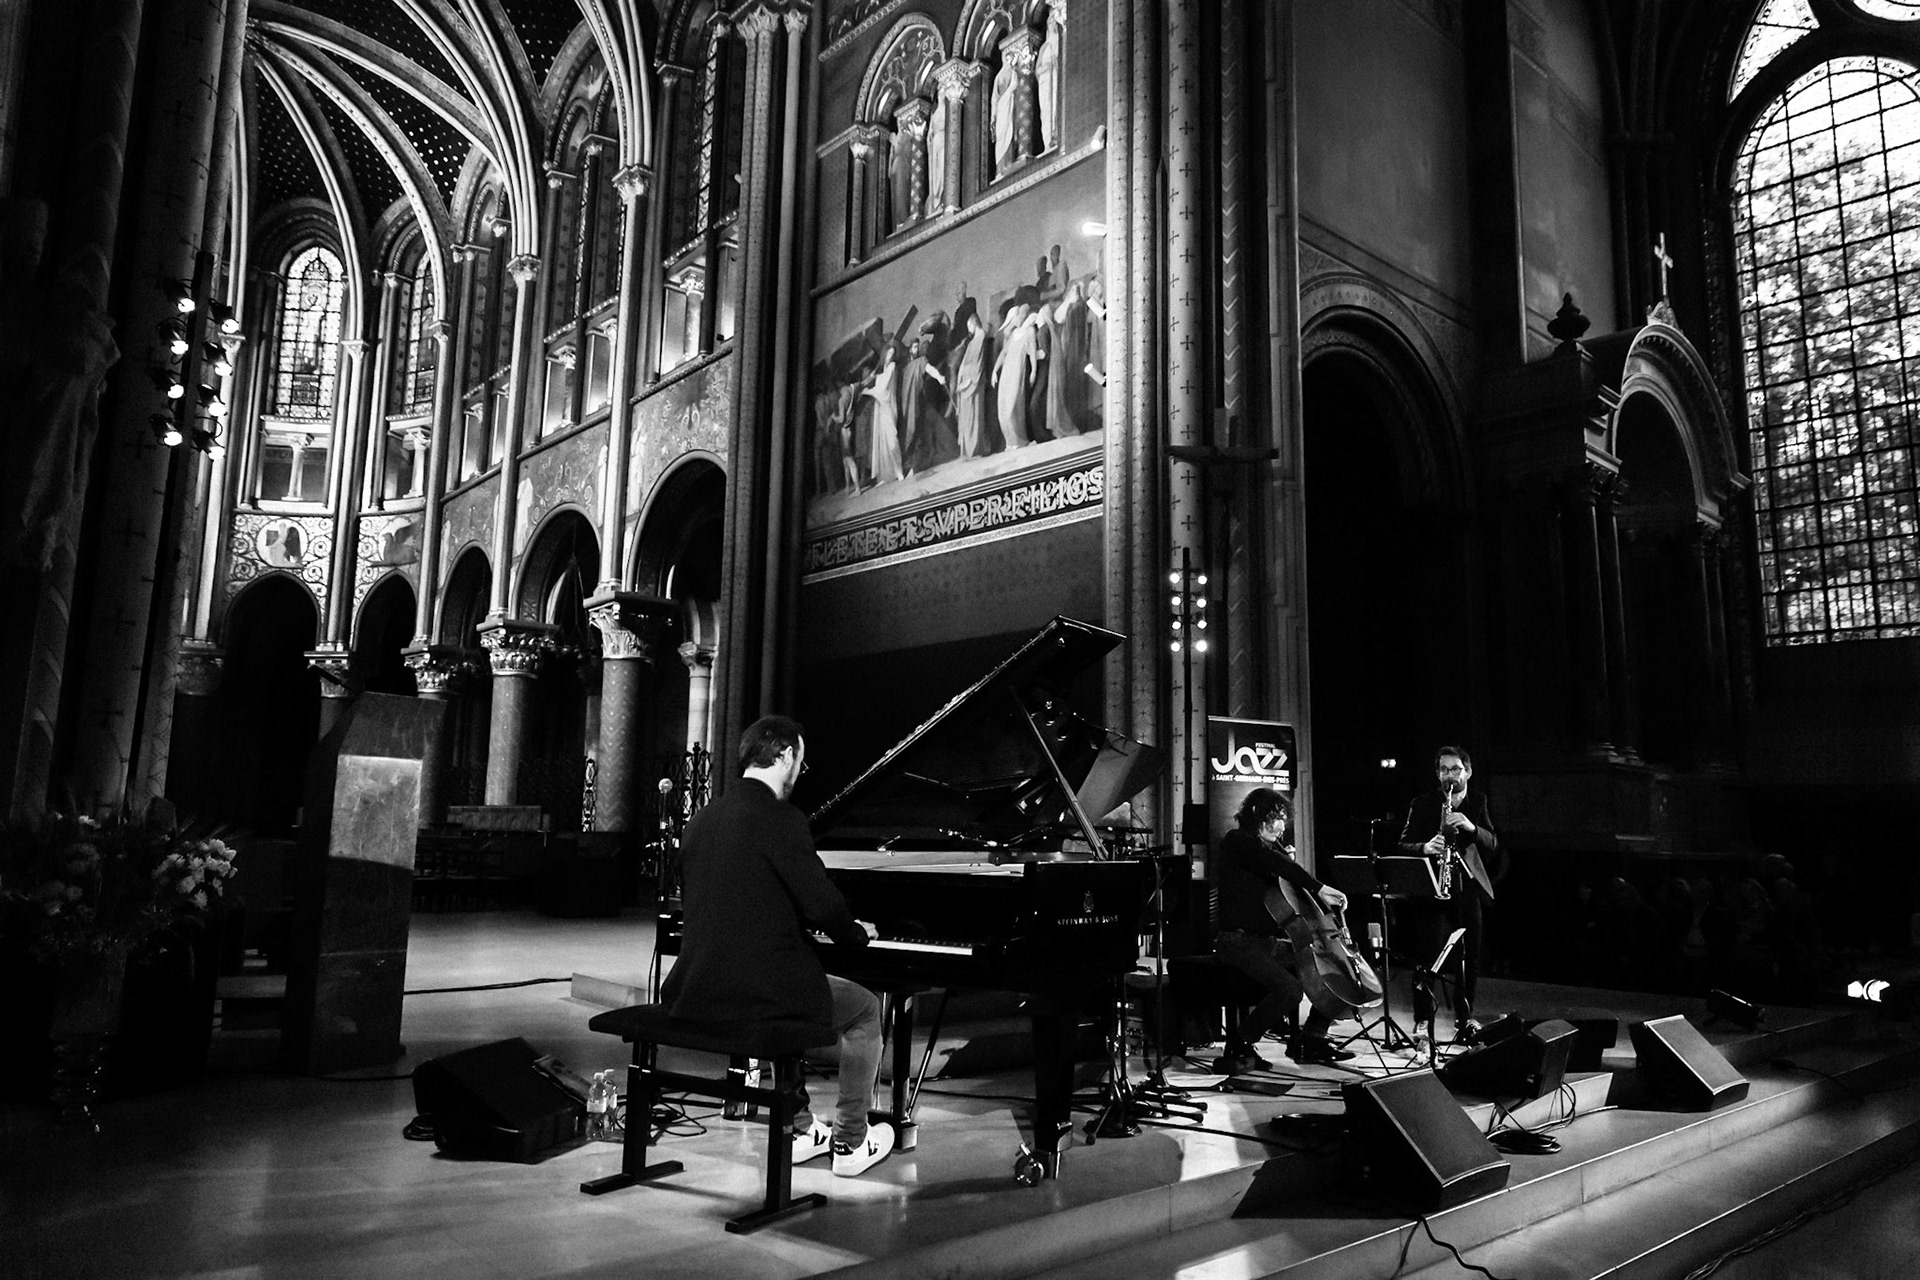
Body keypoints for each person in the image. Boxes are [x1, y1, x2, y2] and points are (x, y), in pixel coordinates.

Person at [661, 715, 895, 1178]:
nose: (797, 775)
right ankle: (850, 1141)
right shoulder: (781, 819)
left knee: (789, 984)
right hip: (755, 991)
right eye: (800, 764)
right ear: (785, 756)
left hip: (697, 985)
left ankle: (802, 1128)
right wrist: (855, 933)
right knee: (865, 1009)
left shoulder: (703, 819)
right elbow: (821, 902)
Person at [1214, 787, 1356, 1068]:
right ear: (1256, 814)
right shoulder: (1238, 842)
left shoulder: (1266, 854)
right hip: (1236, 943)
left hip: (1266, 942)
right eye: (1276, 817)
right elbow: (1270, 861)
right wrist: (1318, 887)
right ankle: (1241, 1043)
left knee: (1338, 970)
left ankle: (1311, 1038)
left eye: (1283, 818)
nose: (1281, 826)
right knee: (1291, 990)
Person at [1397, 745, 1501, 1041]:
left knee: (1469, 958)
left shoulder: (1478, 801)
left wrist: (1470, 825)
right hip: (1432, 891)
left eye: (1455, 769)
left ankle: (1465, 1018)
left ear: (1467, 771)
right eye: (1444, 770)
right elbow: (1403, 843)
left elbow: (1493, 844)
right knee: (1427, 957)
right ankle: (1422, 1019)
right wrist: (1425, 847)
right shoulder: (1423, 803)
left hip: (1466, 890)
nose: (1449, 775)